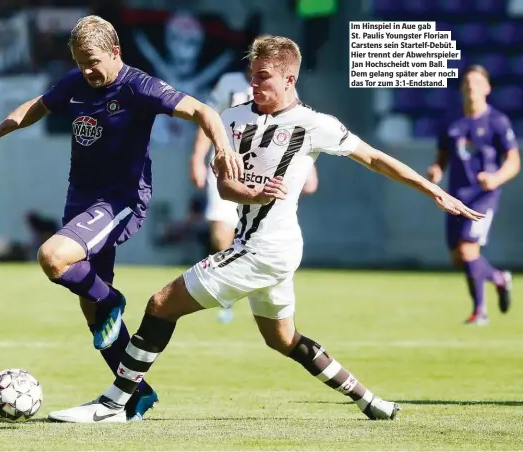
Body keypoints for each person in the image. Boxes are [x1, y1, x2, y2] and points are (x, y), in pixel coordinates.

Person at [47, 35, 483, 423]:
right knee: (284, 339)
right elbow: (225, 183)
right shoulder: (234, 117)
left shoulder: (315, 125)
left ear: (290, 79)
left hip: (267, 248)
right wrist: (248, 193)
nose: (254, 85)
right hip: (255, 245)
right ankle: (370, 400)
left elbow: (374, 158)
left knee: (161, 304)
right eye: (252, 76)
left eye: (264, 78)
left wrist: (435, 192)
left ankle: (114, 404)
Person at [0, 15, 242, 421]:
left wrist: (220, 148)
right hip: (80, 200)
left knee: (53, 258)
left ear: (115, 53)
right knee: (93, 317)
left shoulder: (139, 86)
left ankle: (112, 299)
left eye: (93, 60)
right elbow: (35, 108)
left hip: (119, 200)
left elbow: (203, 111)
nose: (87, 69)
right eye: (79, 61)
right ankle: (136, 395)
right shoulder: (76, 82)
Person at [190, 68, 318, 322]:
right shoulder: (229, 82)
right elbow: (210, 120)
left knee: (260, 233)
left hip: (266, 170)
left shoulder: (284, 88)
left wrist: (309, 170)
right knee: (220, 233)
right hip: (229, 166)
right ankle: (225, 289)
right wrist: (196, 158)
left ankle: (252, 283)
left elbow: (298, 130)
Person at [427, 65, 520, 326]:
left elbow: (513, 161)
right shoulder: (452, 122)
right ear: (461, 88)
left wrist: (495, 178)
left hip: (483, 196)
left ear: (488, 88)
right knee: (459, 258)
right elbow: (441, 158)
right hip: (455, 195)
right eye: (467, 82)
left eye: (477, 82)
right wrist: (436, 171)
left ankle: (480, 312)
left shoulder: (497, 121)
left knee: (469, 251)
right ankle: (500, 279)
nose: (471, 87)